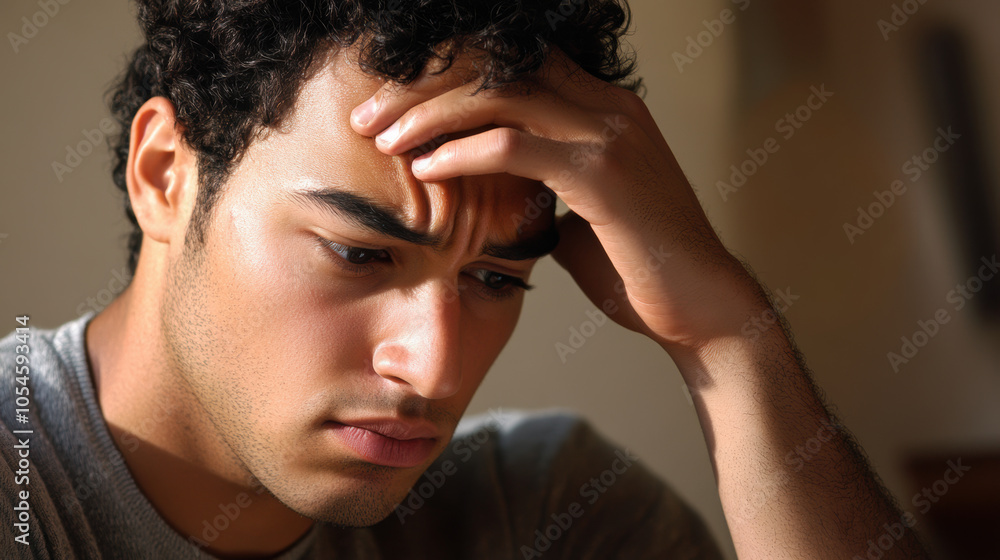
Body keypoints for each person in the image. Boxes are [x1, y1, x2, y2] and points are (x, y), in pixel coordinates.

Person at [0, 0, 929, 558]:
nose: (435, 369)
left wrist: (730, 336)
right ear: (166, 173)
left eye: (493, 278)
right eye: (362, 254)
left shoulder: (546, 511)